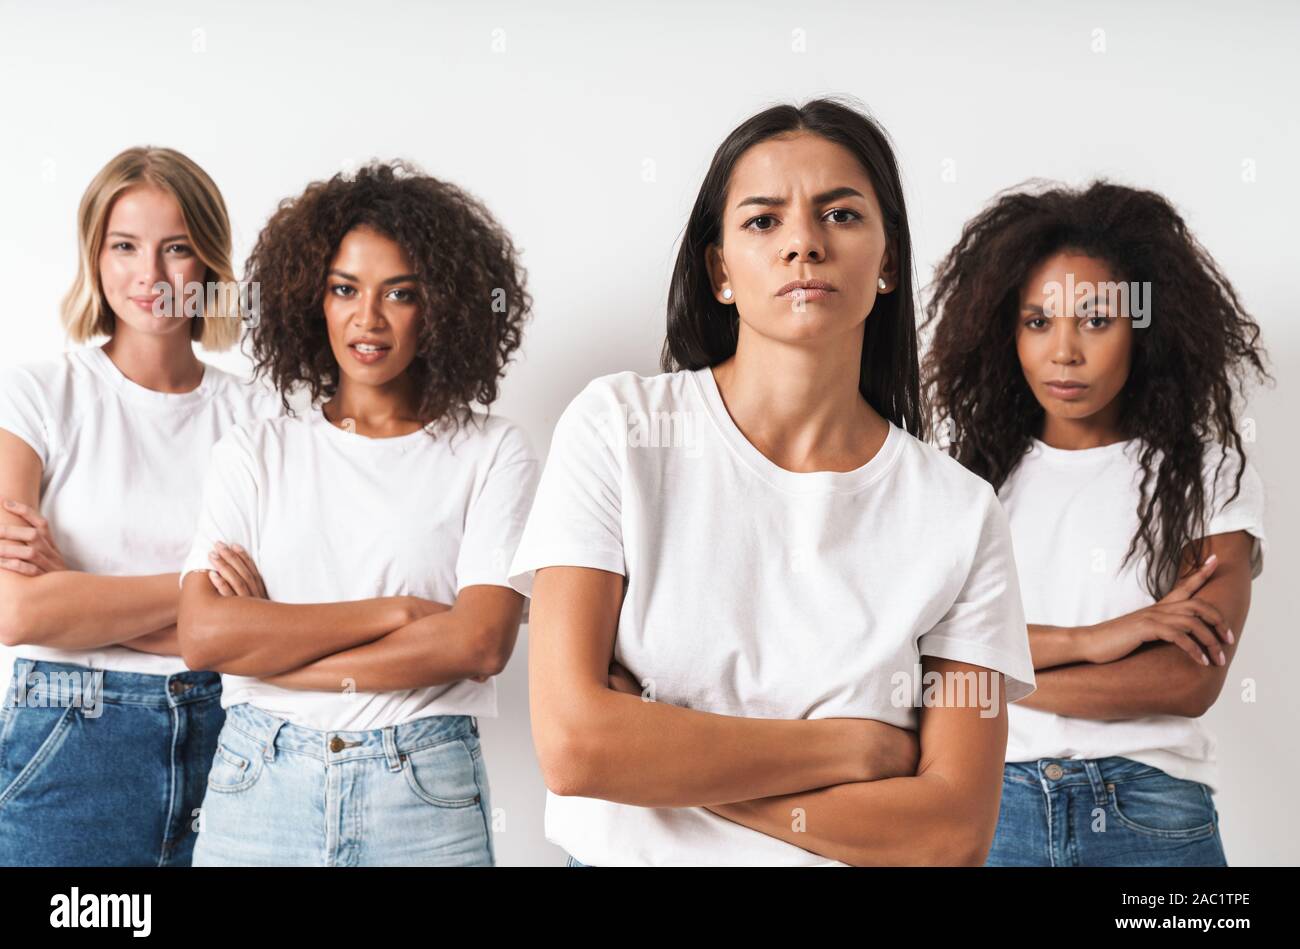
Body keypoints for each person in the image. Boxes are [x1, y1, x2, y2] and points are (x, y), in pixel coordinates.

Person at [510, 98, 1036, 866]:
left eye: (841, 215)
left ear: (888, 260)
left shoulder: (959, 512)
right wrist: (847, 748)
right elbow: (575, 745)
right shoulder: (617, 428)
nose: (804, 244)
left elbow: (948, 833)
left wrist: (660, 760)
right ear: (720, 269)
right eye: (763, 221)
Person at [177, 161, 538, 866]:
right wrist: (398, 611)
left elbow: (479, 644)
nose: (367, 320)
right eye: (345, 289)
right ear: (312, 298)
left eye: (399, 294)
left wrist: (276, 653)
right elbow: (205, 634)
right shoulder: (258, 448)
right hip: (260, 783)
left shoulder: (492, 451)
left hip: (422, 791)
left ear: (440, 306)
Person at [923, 180, 1269, 866]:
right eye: (1037, 321)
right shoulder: (965, 480)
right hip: (992, 806)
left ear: (1145, 326)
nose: (1065, 352)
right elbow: (925, 655)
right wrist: (1112, 635)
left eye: (1096, 320)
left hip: (1150, 809)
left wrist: (993, 677)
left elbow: (1185, 682)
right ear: (1005, 331)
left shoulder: (1205, 473)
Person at [0, 146, 278, 865]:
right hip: (70, 732)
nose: (150, 277)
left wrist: (81, 594)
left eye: (177, 249)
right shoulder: (37, 395)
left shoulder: (263, 417)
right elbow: (21, 613)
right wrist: (204, 603)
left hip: (239, 741)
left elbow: (282, 623)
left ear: (210, 263)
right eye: (124, 246)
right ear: (94, 255)